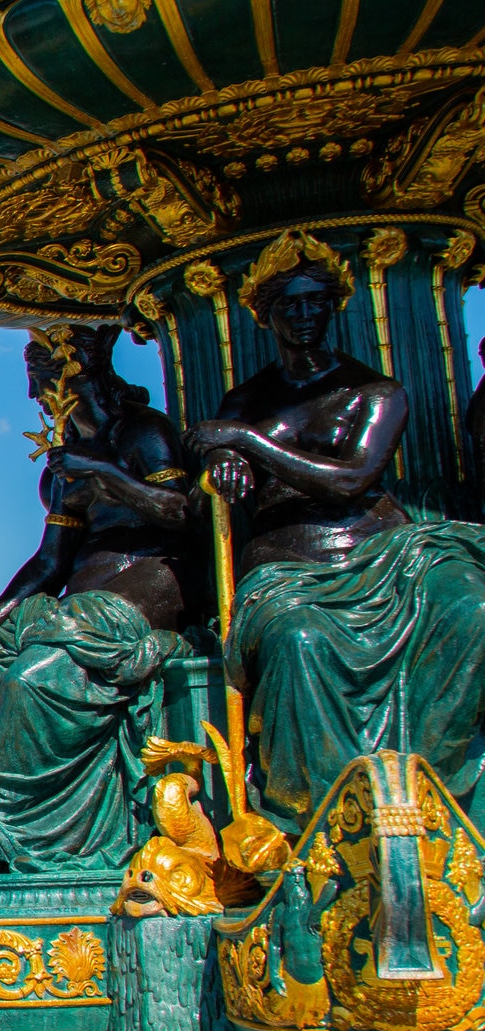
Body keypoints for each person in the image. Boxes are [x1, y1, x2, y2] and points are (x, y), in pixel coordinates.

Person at [194, 230, 485, 829]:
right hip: (290, 569)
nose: (304, 315)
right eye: (290, 304)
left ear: (333, 308)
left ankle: (437, 796)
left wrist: (245, 442)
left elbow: (352, 481)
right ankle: (328, 824)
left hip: (386, 553)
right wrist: (222, 461)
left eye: (315, 302)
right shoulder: (244, 399)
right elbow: (214, 455)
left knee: (473, 608)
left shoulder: (379, 393)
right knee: (299, 640)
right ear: (265, 314)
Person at [0, 323, 203, 874]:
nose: (33, 396)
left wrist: (101, 473)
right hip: (79, 601)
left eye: (43, 378)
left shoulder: (144, 435)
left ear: (79, 374)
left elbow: (180, 514)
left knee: (31, 677)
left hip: (153, 584)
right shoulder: (64, 466)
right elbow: (49, 564)